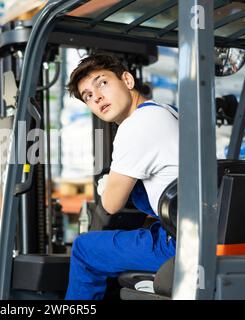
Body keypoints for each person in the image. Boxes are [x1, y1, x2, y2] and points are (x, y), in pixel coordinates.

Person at [65, 54, 178, 300]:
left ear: (127, 79)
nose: (96, 96)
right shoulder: (167, 111)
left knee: (84, 248)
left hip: (178, 244)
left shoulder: (135, 125)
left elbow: (111, 205)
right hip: (193, 231)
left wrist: (107, 186)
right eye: (87, 96)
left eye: (102, 83)